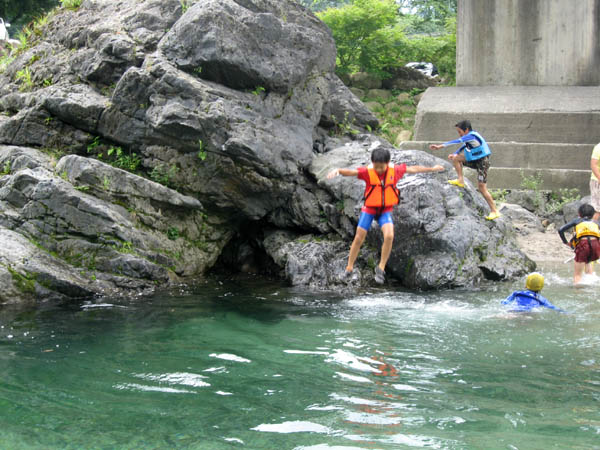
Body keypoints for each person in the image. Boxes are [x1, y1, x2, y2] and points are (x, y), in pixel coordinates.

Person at [327, 147, 444, 284]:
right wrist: (338, 171)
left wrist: (432, 168)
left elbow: (413, 169)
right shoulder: (367, 172)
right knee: (359, 237)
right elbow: (352, 172)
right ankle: (349, 267)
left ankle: (381, 268)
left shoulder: (395, 171)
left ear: (388, 164)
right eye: (376, 167)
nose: (379, 170)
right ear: (372, 163)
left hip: (385, 210)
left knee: (389, 235)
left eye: (382, 167)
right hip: (369, 209)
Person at [429, 120, 500, 221]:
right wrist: (455, 153)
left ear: (466, 130)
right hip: (476, 160)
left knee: (482, 188)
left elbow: (457, 141)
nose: (459, 134)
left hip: (482, 163)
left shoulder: (471, 135)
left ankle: (494, 211)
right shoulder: (469, 138)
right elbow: (464, 145)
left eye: (460, 132)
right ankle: (460, 180)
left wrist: (440, 146)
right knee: (456, 158)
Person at [558, 203, 600, 284]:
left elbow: (560, 230)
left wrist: (566, 242)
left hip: (583, 245)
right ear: (593, 215)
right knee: (588, 262)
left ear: (579, 214)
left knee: (577, 275)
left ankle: (577, 290)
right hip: (596, 245)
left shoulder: (577, 221)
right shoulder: (596, 222)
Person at [589, 142, 600, 221]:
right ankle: (591, 231)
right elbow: (593, 164)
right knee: (597, 209)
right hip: (597, 181)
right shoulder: (598, 147)